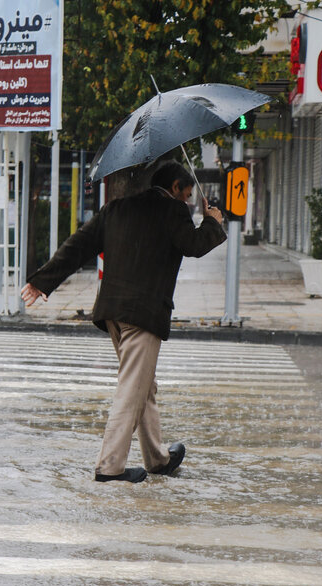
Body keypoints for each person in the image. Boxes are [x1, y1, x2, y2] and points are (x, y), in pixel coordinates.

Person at [21, 160, 227, 483]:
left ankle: (157, 458)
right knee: (132, 389)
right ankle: (110, 466)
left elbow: (79, 245)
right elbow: (195, 245)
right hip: (144, 316)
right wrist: (213, 222)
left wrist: (42, 281)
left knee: (144, 386)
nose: (188, 201)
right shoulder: (173, 211)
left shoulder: (117, 208)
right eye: (187, 194)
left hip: (113, 312)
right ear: (174, 188)